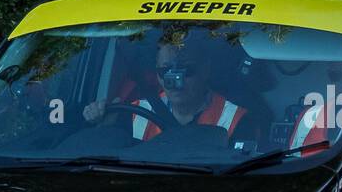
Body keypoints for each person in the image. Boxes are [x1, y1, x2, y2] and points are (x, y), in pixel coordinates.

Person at [83, 33, 248, 142]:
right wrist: (103, 125)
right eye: (165, 71)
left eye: (186, 70)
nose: (175, 80)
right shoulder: (133, 114)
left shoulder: (237, 119)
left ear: (206, 70)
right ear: (156, 74)